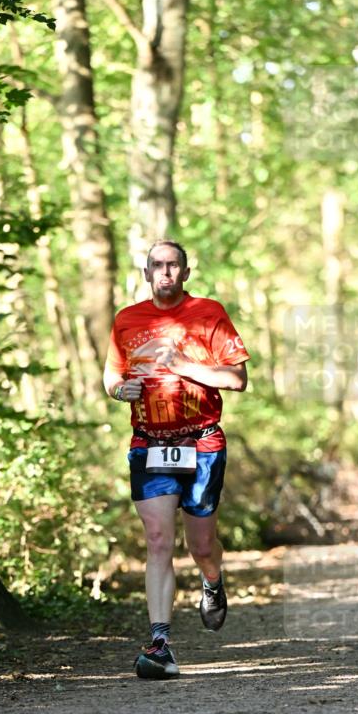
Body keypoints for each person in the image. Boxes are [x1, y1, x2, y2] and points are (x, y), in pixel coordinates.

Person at [103, 240, 249, 680]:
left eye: (173, 266)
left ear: (185, 273)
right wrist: (117, 389)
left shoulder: (209, 312)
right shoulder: (127, 320)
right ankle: (161, 644)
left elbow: (237, 379)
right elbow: (112, 373)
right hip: (149, 443)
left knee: (200, 546)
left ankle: (212, 579)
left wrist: (186, 366)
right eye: (157, 266)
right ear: (146, 273)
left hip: (202, 441)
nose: (165, 273)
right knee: (157, 540)